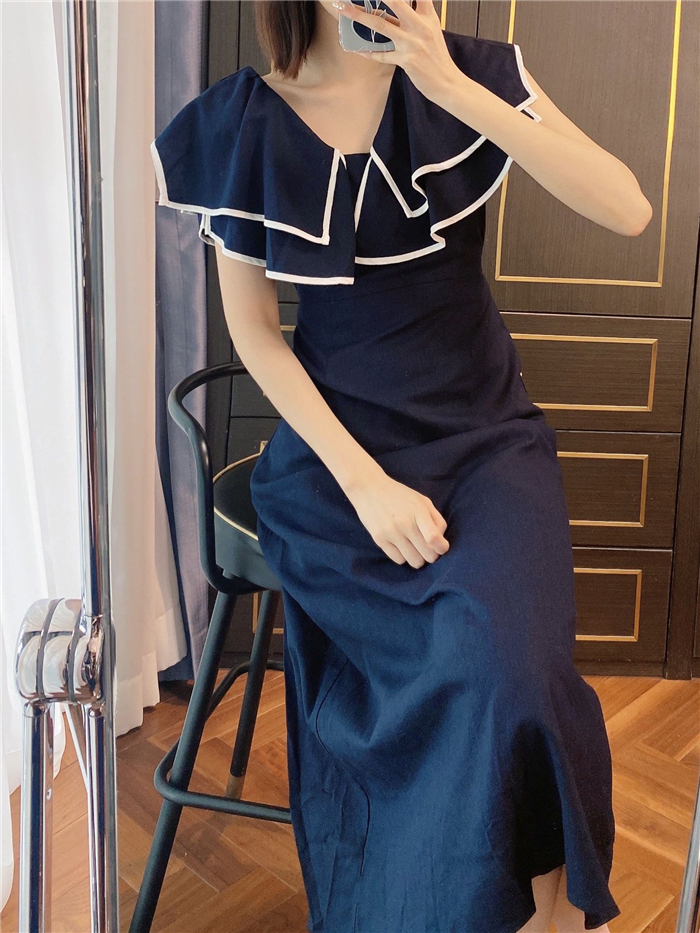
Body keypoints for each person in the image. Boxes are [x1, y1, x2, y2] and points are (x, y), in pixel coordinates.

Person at [150, 2, 652, 930]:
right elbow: (255, 334)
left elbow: (628, 208)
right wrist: (365, 484)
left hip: (486, 438)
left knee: (517, 671)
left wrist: (450, 86)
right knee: (462, 669)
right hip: (341, 458)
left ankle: (547, 913)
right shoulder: (241, 122)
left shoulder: (470, 72)